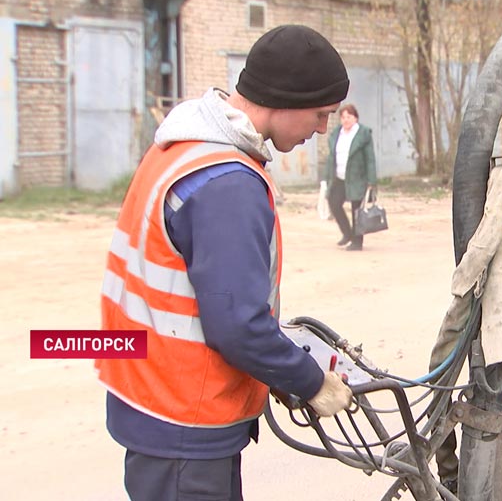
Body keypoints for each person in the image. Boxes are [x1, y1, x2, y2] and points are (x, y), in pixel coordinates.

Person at [96, 25, 353, 501]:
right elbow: (238, 326)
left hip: (154, 401)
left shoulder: (182, 146)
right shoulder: (228, 183)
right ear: (285, 100)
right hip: (185, 423)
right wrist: (310, 381)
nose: (322, 128)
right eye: (321, 114)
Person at [324, 103, 377, 251]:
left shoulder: (363, 134)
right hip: (339, 177)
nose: (346, 120)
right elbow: (331, 158)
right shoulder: (337, 134)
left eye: (349, 116)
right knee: (333, 202)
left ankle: (357, 241)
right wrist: (326, 178)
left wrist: (372, 181)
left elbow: (370, 158)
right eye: (343, 117)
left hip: (357, 177)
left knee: (356, 210)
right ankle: (347, 233)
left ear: (355, 118)